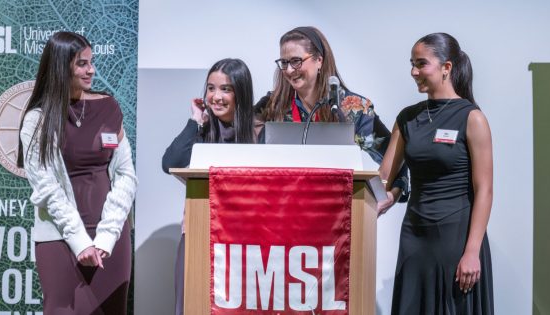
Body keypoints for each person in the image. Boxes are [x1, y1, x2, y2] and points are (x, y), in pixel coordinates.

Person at [17, 31, 137, 314]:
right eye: (82, 63)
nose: (91, 70)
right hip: (60, 238)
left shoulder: (108, 107)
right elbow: (47, 188)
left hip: (111, 237)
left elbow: (126, 175)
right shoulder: (37, 120)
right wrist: (80, 242)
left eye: (91, 62)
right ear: (62, 67)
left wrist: (107, 236)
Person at [379, 33, 494, 314]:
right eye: (412, 64)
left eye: (422, 63)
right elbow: (383, 177)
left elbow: (485, 190)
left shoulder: (472, 118)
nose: (414, 71)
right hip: (415, 237)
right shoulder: (407, 118)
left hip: (457, 239)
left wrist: (472, 252)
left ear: (447, 67)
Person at [255, 26, 409, 207]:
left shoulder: (353, 109)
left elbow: (395, 160)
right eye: (284, 62)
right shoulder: (272, 106)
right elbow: (243, 143)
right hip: (282, 210)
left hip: (337, 213)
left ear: (319, 60)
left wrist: (389, 196)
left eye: (296, 61)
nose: (289, 70)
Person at [161, 58, 258, 315]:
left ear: (241, 92)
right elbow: (170, 163)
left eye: (226, 89)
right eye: (211, 88)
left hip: (246, 242)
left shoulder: (261, 135)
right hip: (198, 235)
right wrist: (196, 120)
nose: (216, 96)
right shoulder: (200, 133)